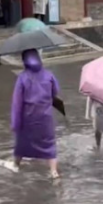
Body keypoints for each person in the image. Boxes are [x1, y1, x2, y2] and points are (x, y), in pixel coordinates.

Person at [10, 49, 60, 178]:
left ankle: (15, 165)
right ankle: (54, 172)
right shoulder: (49, 75)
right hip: (45, 117)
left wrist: (15, 124)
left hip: (28, 117)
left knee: (22, 143)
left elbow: (17, 103)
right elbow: (56, 91)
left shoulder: (22, 77)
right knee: (49, 143)